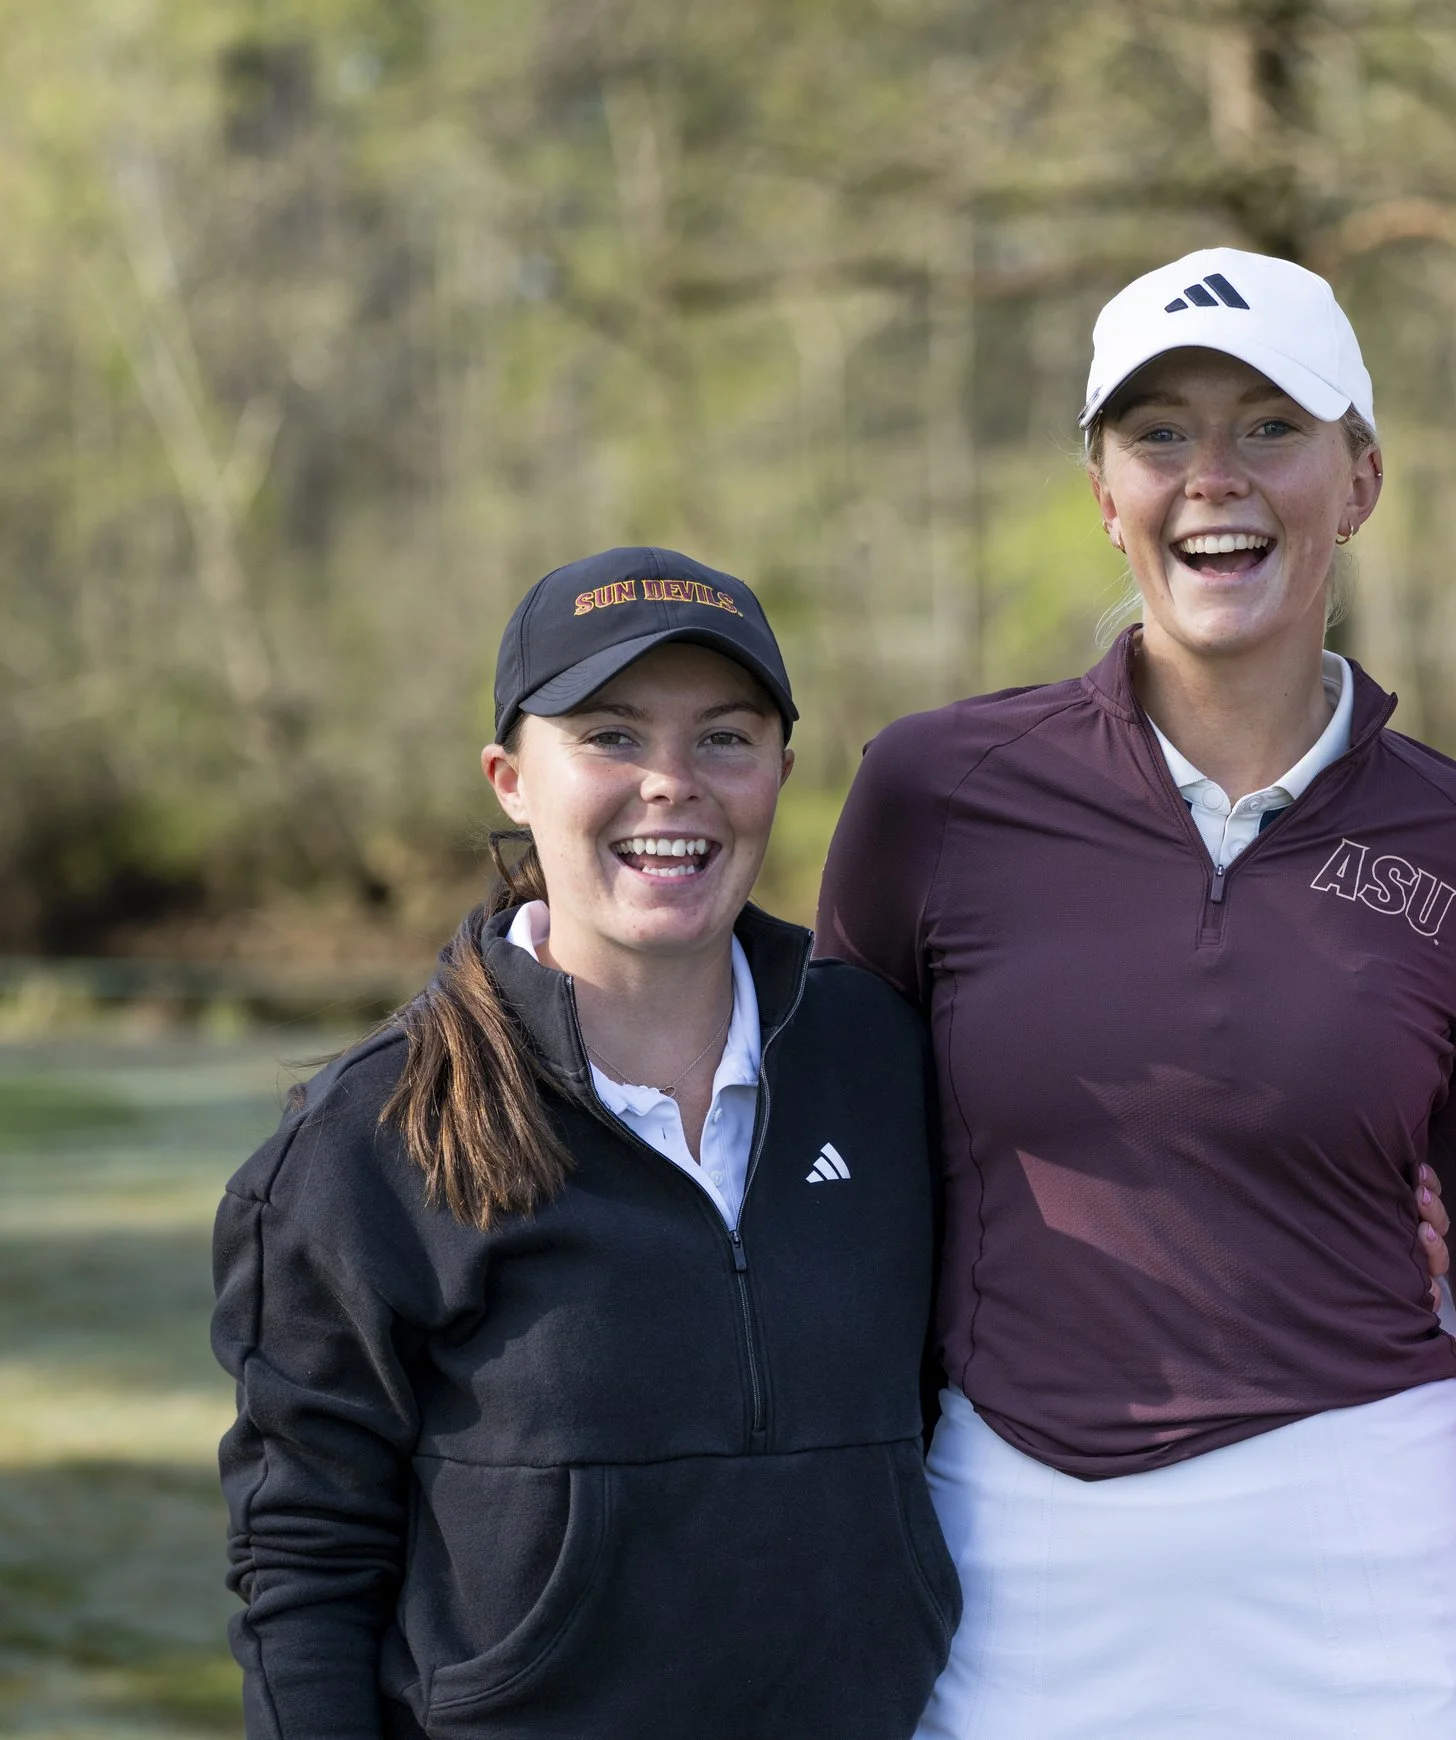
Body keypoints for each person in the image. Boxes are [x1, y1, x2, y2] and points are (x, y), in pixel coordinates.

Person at [814, 247, 1456, 1740]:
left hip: (1371, 1559)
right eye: (1160, 435)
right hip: (1017, 1555)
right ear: (1103, 492)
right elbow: (839, 1197)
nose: (1212, 478)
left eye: (1271, 429)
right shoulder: (937, 792)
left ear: (1360, 479)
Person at [212, 549, 959, 1740]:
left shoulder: (888, 1066)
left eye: (725, 738)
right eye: (610, 736)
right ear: (511, 778)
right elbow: (304, 1561)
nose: (673, 784)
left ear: (780, 772)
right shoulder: (369, 1141)